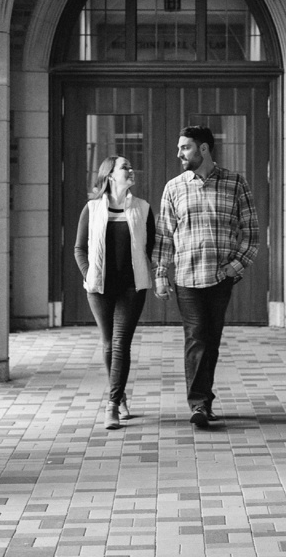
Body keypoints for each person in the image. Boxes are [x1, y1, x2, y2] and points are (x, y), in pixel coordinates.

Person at [152, 125, 259, 428]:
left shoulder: (236, 184)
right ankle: (198, 404)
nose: (179, 154)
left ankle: (205, 401)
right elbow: (164, 236)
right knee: (196, 338)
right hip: (187, 277)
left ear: (203, 149)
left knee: (211, 341)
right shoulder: (174, 188)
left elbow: (251, 234)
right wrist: (161, 273)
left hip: (220, 277)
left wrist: (233, 268)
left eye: (184, 147)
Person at [73, 156, 157, 430]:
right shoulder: (92, 208)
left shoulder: (143, 208)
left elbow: (152, 247)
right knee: (109, 344)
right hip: (99, 288)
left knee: (121, 343)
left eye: (132, 166)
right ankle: (119, 397)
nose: (131, 171)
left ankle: (111, 406)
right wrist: (89, 274)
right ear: (110, 175)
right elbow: (79, 249)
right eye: (125, 168)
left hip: (132, 288)